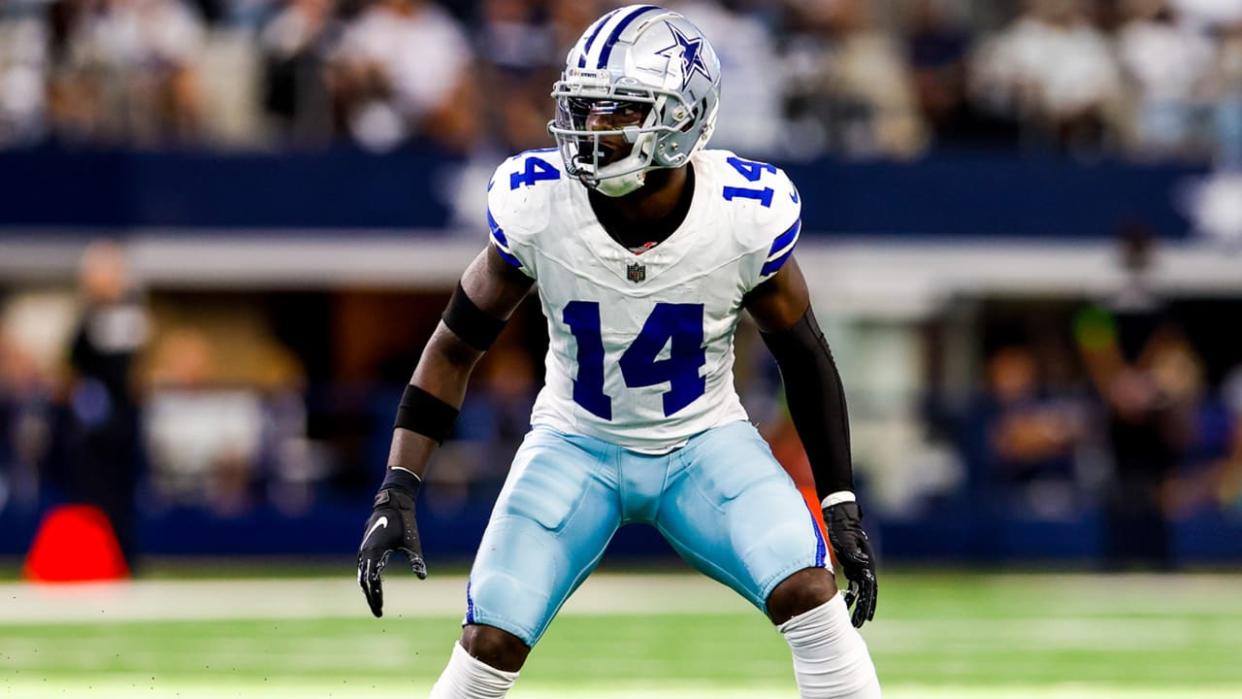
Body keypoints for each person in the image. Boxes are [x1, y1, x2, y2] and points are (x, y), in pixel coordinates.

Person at [355, 6, 881, 698]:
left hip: (703, 441)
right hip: (577, 443)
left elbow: (805, 354)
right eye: (585, 108)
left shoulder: (742, 212)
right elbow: (455, 345)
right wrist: (397, 484)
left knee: (812, 597)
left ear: (685, 118)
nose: (592, 128)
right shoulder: (540, 202)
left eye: (619, 111)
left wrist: (839, 501)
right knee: (489, 640)